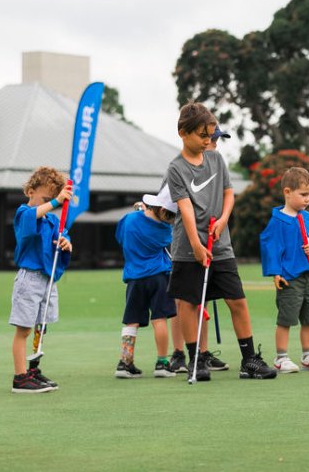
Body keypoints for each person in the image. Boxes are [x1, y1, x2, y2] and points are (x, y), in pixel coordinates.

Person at [165, 102, 276, 381]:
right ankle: (196, 360)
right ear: (183, 133)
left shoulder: (216, 160)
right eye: (203, 135)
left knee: (237, 300)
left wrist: (225, 218)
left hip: (221, 245)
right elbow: (186, 209)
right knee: (190, 304)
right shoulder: (176, 168)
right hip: (189, 247)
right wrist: (196, 245)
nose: (208, 141)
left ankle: (249, 359)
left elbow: (228, 193)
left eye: (211, 135)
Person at [168, 123, 235, 375]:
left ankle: (203, 353)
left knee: (200, 303)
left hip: (210, 241)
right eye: (210, 138)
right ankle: (179, 353)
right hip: (184, 243)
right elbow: (171, 208)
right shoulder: (178, 169)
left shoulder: (214, 162)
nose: (213, 144)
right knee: (183, 300)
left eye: (216, 140)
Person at [260, 167, 309, 373]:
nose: (307, 199)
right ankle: (281, 357)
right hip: (289, 277)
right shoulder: (278, 221)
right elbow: (270, 247)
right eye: (303, 194)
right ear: (287, 192)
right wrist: (275, 272)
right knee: (286, 318)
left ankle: (308, 355)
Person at [9, 167, 73, 393]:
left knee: (41, 326)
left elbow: (62, 235)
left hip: (48, 279)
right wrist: (56, 201)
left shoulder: (52, 221)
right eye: (46, 198)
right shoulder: (24, 213)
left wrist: (66, 243)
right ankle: (19, 377)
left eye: (53, 198)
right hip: (30, 279)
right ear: (30, 190)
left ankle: (33, 370)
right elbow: (30, 219)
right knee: (24, 329)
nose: (50, 203)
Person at [114, 185, 180, 379]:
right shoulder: (165, 230)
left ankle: (125, 363)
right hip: (159, 277)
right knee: (159, 319)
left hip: (135, 278)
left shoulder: (129, 219)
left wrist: (138, 213)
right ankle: (162, 363)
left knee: (131, 321)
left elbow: (120, 236)